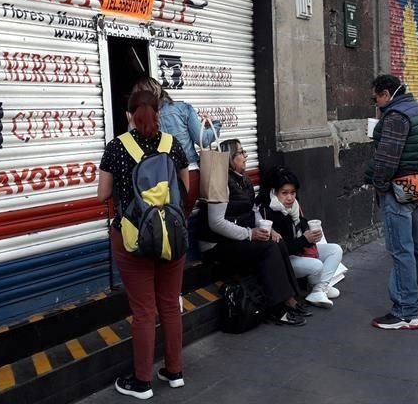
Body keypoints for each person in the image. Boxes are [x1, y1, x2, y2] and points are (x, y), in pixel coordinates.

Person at [98, 90, 190, 399]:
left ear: (129, 115)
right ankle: (175, 372)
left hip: (132, 238)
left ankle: (142, 382)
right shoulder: (172, 145)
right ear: (158, 114)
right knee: (170, 304)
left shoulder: (116, 148)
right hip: (172, 236)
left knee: (144, 311)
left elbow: (102, 194)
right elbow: (185, 187)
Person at [195, 139, 309, 326]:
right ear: (230, 158)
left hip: (236, 236)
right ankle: (278, 308)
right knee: (268, 249)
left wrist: (266, 229)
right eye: (241, 153)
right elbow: (216, 223)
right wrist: (249, 234)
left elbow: (253, 210)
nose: (246, 156)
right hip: (216, 244)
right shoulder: (220, 181)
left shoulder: (243, 179)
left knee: (277, 241)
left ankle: (291, 297)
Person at [364, 74, 418, 330]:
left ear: (386, 94)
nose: (375, 103)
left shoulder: (396, 117)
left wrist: (379, 184)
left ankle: (406, 312)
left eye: (375, 98)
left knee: (401, 249)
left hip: (398, 190)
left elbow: (386, 159)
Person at [255, 166, 344, 308]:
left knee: (335, 250)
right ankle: (319, 287)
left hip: (301, 251)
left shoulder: (294, 207)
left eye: (293, 192)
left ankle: (320, 288)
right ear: (274, 192)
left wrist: (311, 234)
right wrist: (305, 240)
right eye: (284, 193)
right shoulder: (268, 213)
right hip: (286, 260)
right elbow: (281, 249)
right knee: (317, 265)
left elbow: (301, 229)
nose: (290, 197)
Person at [132, 77, 222, 212]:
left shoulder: (140, 120)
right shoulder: (183, 109)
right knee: (180, 220)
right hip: (190, 176)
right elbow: (203, 140)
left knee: (163, 221)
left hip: (157, 182)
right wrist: (215, 124)